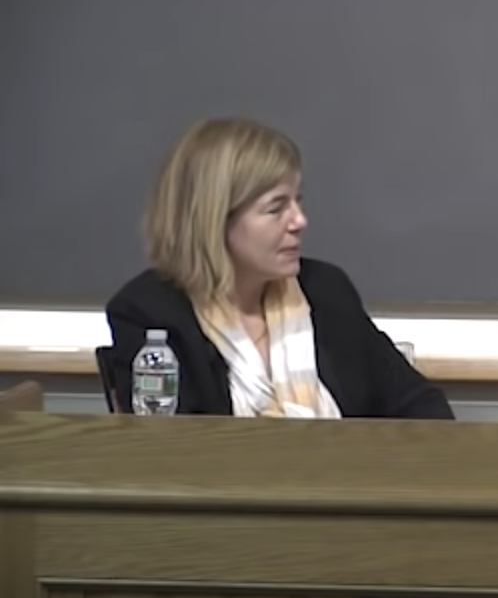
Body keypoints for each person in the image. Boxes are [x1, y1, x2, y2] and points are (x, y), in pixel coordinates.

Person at [105, 117, 455, 420]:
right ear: (214, 220)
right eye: (275, 208)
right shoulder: (150, 312)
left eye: (297, 201)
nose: (299, 221)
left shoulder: (325, 291)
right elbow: (168, 449)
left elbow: (421, 405)